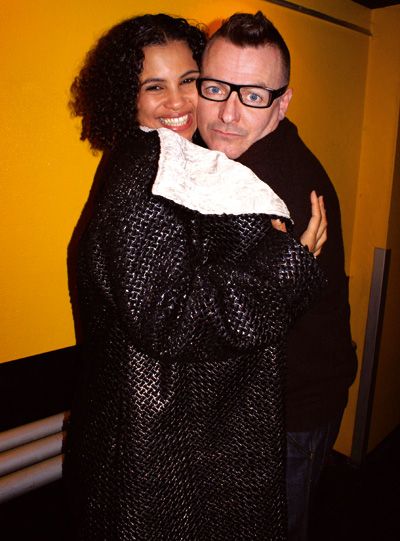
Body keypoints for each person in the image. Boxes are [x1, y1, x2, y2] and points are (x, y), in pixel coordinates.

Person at [64, 13, 326, 540]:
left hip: (164, 433)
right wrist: (285, 269)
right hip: (149, 445)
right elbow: (169, 317)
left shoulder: (181, 165)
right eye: (154, 86)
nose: (179, 103)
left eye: (188, 82)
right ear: (128, 98)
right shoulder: (146, 170)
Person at [195, 11, 358, 540]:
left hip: (290, 414)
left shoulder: (266, 189)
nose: (227, 113)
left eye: (254, 95)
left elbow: (220, 325)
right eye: (216, 87)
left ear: (282, 103)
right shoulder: (224, 164)